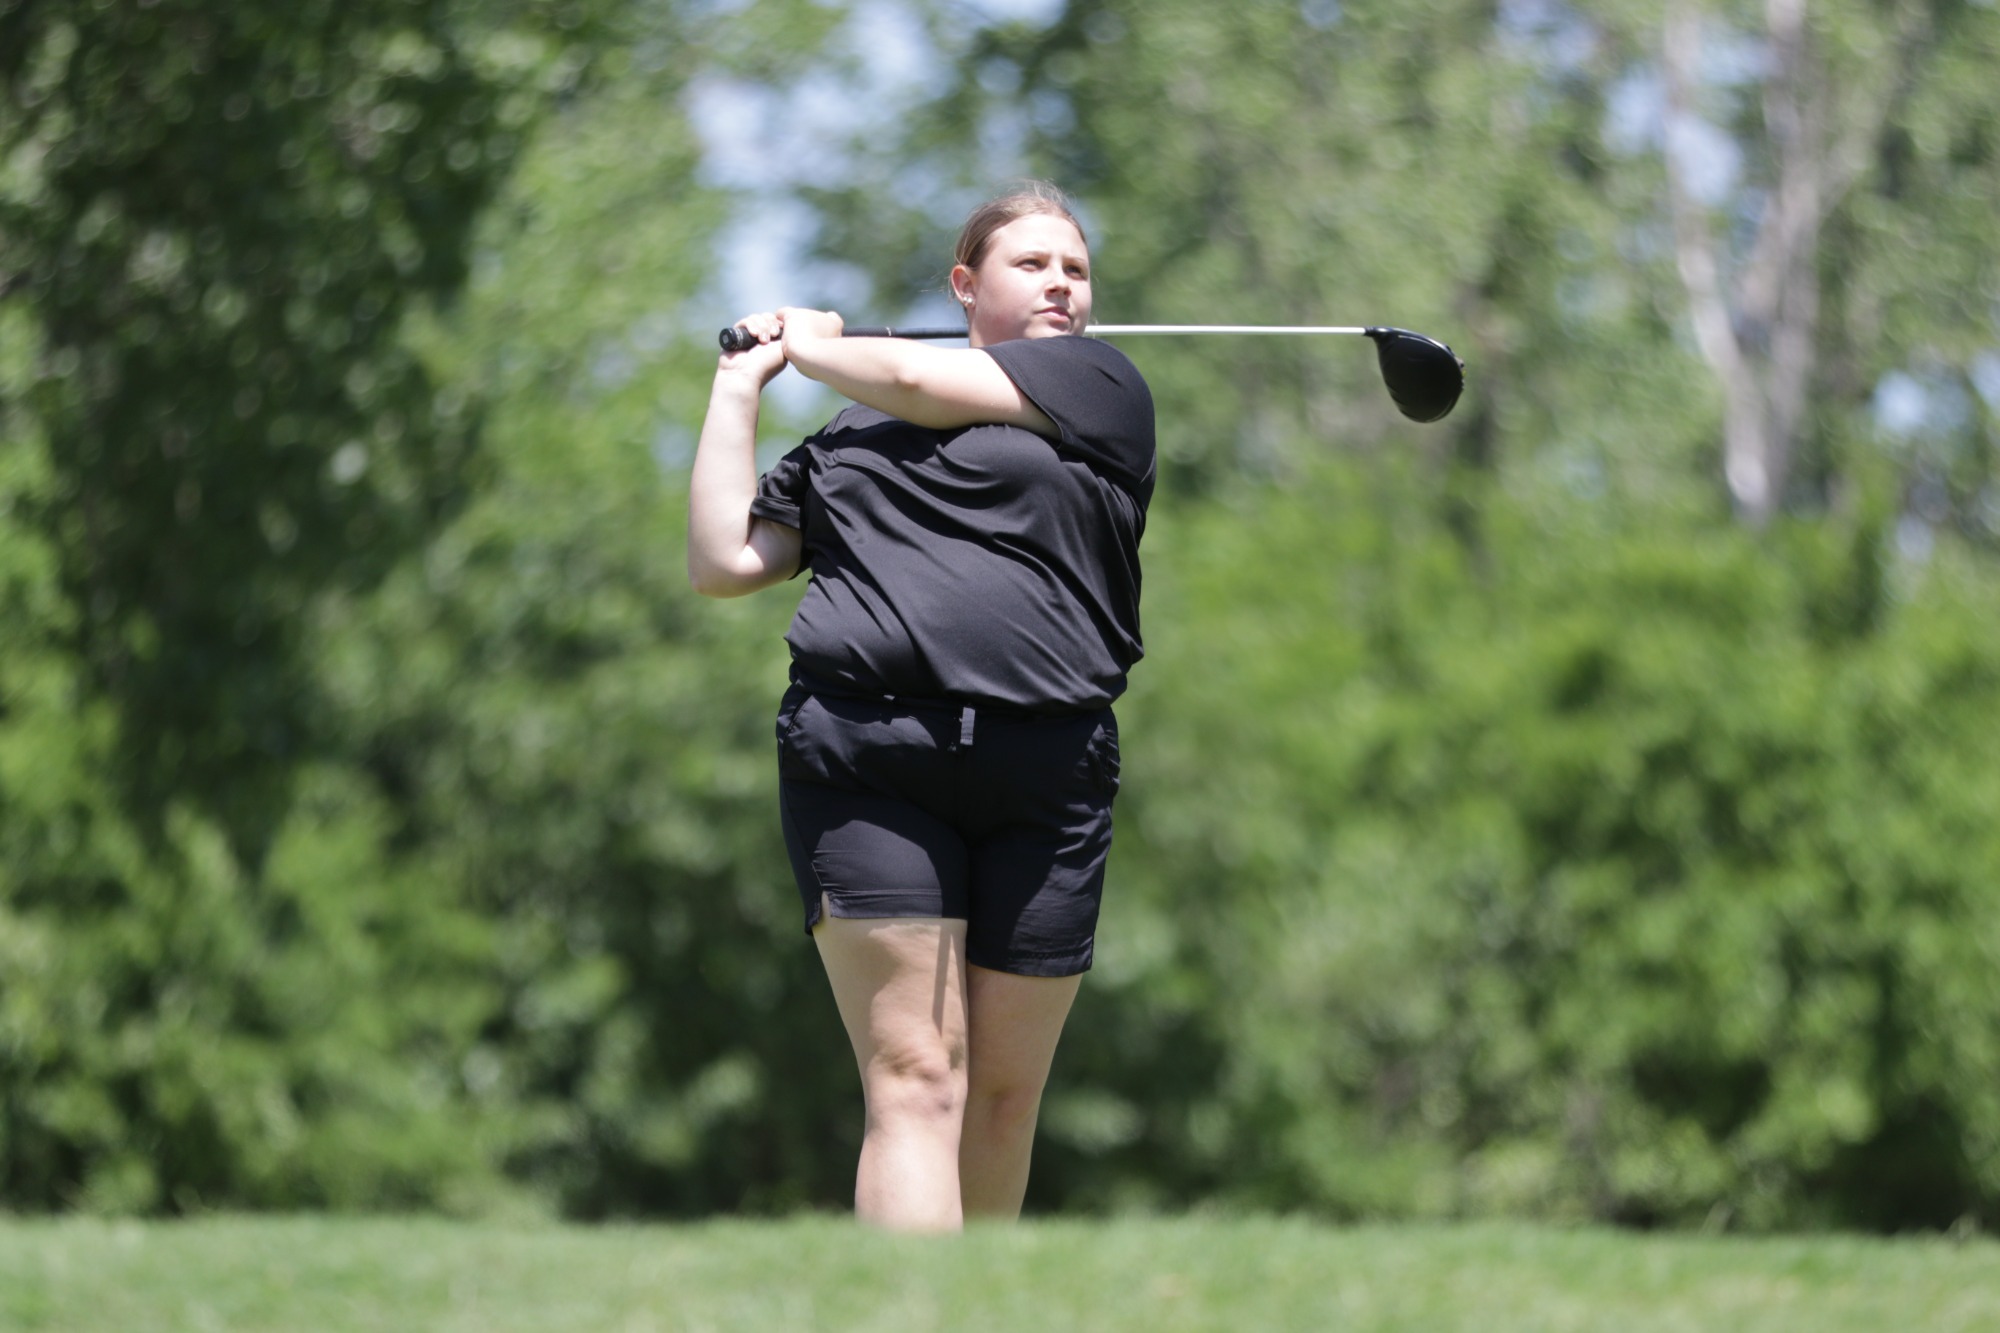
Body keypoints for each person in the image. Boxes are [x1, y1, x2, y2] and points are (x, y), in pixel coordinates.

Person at [686, 182, 1155, 1232]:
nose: (1061, 285)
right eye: (1031, 264)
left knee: (1002, 1096)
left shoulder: (1099, 386)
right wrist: (740, 382)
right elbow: (724, 561)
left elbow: (909, 374)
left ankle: (974, 1302)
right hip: (868, 760)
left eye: (1075, 270)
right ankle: (911, 1307)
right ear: (964, 286)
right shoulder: (854, 435)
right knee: (916, 1073)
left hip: (1047, 770)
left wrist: (814, 343)